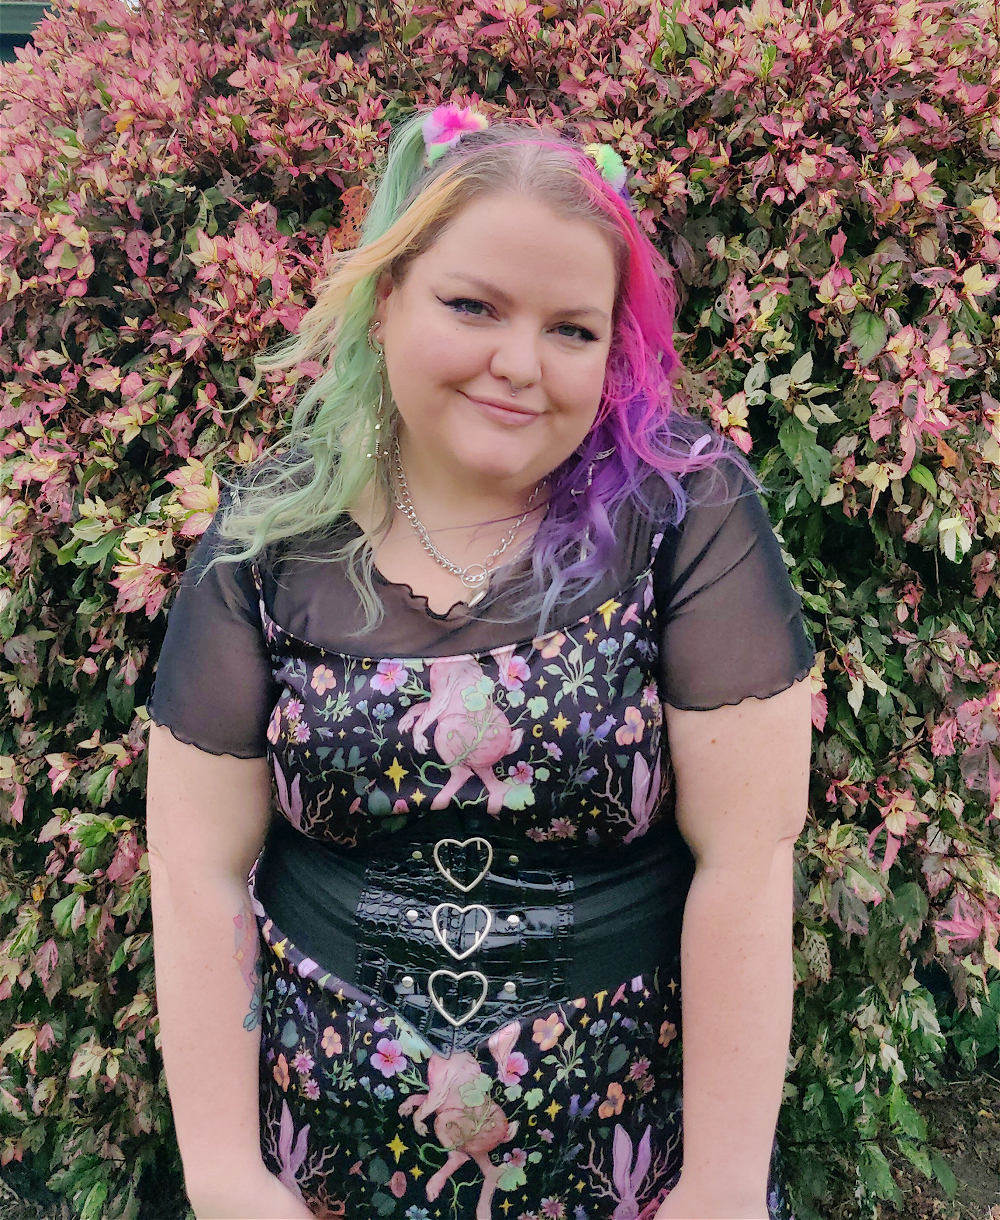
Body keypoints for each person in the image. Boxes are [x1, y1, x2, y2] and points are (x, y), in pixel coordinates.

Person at [145, 101, 815, 1220]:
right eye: (472, 305)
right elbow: (196, 865)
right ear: (384, 296)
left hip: (630, 1172)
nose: (520, 363)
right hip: (319, 1174)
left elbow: (748, 863)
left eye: (571, 327)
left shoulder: (685, 513)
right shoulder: (272, 534)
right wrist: (225, 1179)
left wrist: (723, 1190)